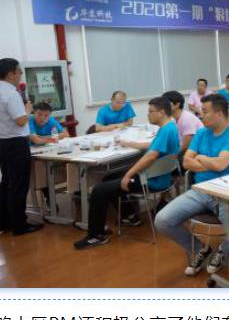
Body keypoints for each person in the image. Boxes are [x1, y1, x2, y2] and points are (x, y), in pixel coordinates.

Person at [155, 94, 229, 276]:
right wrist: (211, 162)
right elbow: (186, 162)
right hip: (200, 190)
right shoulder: (202, 133)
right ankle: (201, 248)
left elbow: (221, 165)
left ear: (219, 114)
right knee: (162, 221)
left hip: (225, 194)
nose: (200, 115)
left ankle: (222, 250)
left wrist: (202, 157)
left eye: (205, 111)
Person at [74, 96, 180, 249]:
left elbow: (151, 156)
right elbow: (152, 146)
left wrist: (129, 174)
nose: (148, 114)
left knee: (99, 190)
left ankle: (96, 236)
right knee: (109, 177)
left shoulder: (166, 130)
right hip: (159, 176)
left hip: (150, 180)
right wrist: (128, 143)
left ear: (161, 113)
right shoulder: (170, 127)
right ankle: (128, 215)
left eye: (150, 111)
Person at [0, 58, 42, 236]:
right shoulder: (11, 94)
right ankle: (19, 225)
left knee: (7, 183)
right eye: (19, 72)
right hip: (15, 144)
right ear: (10, 74)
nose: (20, 75)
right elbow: (20, 121)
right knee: (18, 185)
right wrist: (28, 110)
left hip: (0, 143)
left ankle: (2, 222)